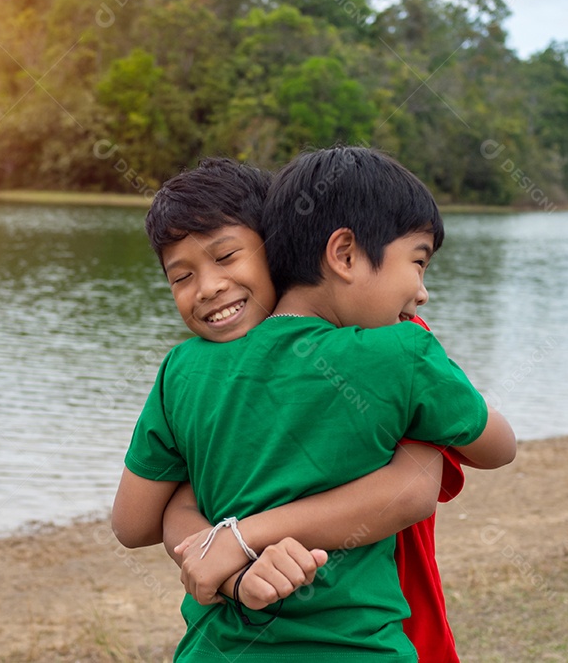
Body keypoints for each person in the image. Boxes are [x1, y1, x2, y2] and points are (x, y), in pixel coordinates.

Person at [113, 148, 515, 661]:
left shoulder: (183, 370)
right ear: (342, 254)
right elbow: (491, 451)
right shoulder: (401, 351)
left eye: (226, 256)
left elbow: (131, 524)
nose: (422, 291)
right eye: (417, 263)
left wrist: (217, 527)